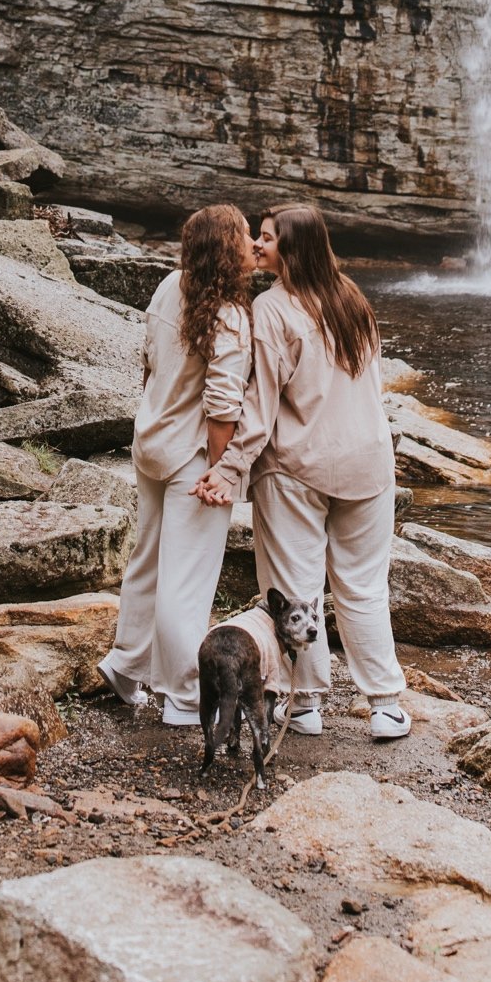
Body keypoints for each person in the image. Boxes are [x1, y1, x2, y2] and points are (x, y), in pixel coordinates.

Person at [195, 202, 411, 741]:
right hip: (369, 463)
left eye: (266, 238)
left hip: (298, 469)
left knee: (295, 587)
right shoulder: (353, 299)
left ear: (291, 249)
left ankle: (304, 701)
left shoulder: (271, 309)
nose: (257, 246)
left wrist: (227, 470)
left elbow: (260, 405)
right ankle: (385, 705)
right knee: (363, 588)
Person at [99, 202, 255, 726]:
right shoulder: (229, 316)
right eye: (247, 237)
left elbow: (147, 362)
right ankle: (185, 696)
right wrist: (221, 470)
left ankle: (125, 664)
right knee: (185, 580)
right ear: (228, 249)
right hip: (193, 457)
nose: (255, 245)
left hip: (151, 443)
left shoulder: (170, 285)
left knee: (148, 561)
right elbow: (222, 405)